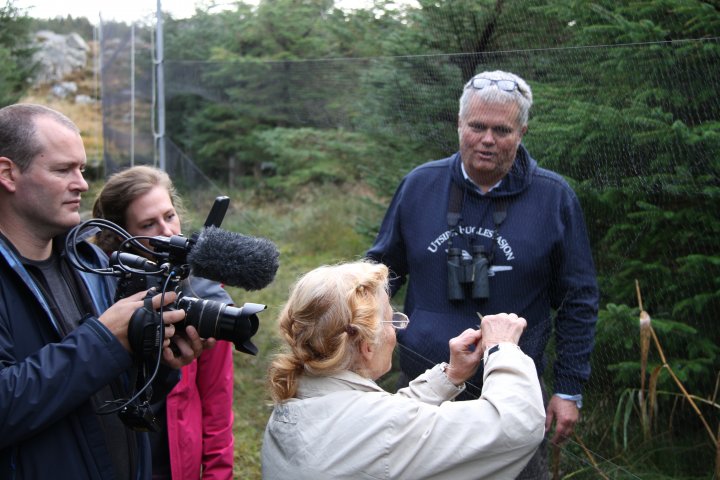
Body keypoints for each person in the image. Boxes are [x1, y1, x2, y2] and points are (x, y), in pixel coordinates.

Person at [366, 70, 599, 478]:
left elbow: (579, 299)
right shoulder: (421, 185)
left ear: (522, 131)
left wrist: (568, 389)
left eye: (501, 129)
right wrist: (352, 346)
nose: (487, 139)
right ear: (459, 124)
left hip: (511, 395)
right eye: (476, 127)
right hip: (424, 387)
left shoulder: (553, 197)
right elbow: (381, 274)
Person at [0, 103, 205, 478]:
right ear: (7, 173)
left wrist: (161, 365)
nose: (81, 183)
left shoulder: (91, 262)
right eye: (63, 170)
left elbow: (119, 396)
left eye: (81, 168)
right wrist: (106, 338)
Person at [262, 260, 545, 479]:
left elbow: (381, 431)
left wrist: (450, 377)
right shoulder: (380, 426)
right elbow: (515, 426)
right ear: (367, 345)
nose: (397, 330)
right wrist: (502, 348)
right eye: (391, 320)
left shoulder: (293, 402)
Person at [92, 165, 235, 480]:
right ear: (121, 236)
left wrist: (217, 473)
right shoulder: (94, 291)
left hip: (177, 462)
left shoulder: (201, 293)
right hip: (117, 458)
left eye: (169, 216)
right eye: (149, 224)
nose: (168, 231)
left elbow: (217, 399)